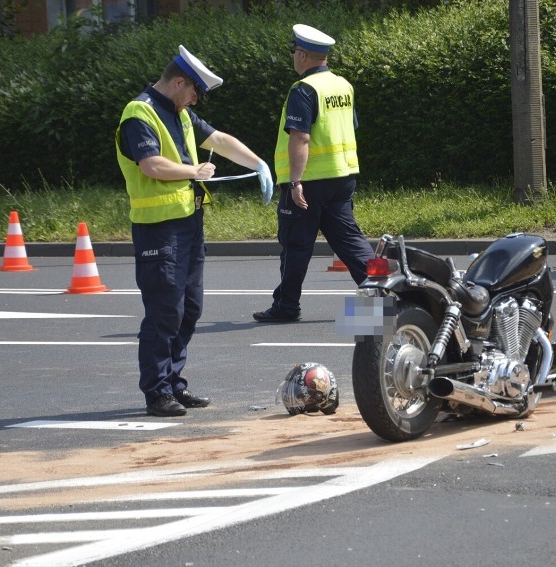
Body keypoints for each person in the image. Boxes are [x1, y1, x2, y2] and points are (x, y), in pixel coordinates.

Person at [117, 45, 274, 416]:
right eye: (194, 93)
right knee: (164, 310)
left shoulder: (180, 113)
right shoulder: (139, 113)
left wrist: (258, 163)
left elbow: (218, 139)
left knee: (190, 308)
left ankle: (174, 383)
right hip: (158, 229)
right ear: (178, 81)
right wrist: (194, 171)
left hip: (188, 223)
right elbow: (151, 165)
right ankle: (157, 392)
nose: (195, 101)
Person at [253, 24, 374, 323]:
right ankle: (386, 295)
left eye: (294, 52)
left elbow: (301, 137)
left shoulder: (304, 89)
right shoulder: (343, 85)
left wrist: (295, 181)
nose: (293, 57)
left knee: (296, 244)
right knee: (351, 241)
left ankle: (286, 307)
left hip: (309, 182)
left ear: (304, 55)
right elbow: (350, 126)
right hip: (342, 176)